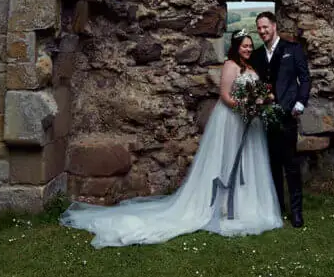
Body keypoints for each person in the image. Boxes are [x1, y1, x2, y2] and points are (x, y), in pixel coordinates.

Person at [60, 30, 282, 248]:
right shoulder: (230, 66)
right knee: (228, 160)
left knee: (247, 162)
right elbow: (225, 96)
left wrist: (261, 102)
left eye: (250, 46)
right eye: (244, 45)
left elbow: (258, 90)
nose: (248, 49)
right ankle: (222, 205)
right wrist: (247, 106)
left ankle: (246, 205)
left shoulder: (251, 68)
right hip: (232, 120)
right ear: (235, 46)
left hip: (248, 122)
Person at [250, 11, 311, 228]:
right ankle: (277, 208)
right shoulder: (256, 56)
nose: (262, 31)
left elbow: (304, 79)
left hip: (287, 115)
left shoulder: (292, 49)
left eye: (265, 27)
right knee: (272, 165)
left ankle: (296, 212)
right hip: (265, 118)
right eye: (258, 28)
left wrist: (300, 103)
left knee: (291, 165)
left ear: (274, 26)